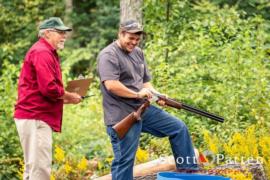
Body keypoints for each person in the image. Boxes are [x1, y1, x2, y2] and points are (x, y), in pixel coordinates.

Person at [97, 20, 199, 180]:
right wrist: (138, 94)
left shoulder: (138, 53)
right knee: (125, 161)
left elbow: (145, 83)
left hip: (143, 110)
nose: (134, 42)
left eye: (137, 39)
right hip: (122, 116)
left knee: (178, 128)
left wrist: (157, 95)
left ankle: (189, 175)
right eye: (130, 38)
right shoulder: (108, 55)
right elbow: (111, 85)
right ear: (120, 33)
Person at [14, 17, 82, 180]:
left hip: (34, 116)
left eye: (64, 33)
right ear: (47, 33)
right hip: (35, 117)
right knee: (40, 170)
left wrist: (68, 98)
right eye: (60, 32)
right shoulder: (42, 52)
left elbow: (42, 90)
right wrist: (69, 95)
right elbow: (49, 88)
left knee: (33, 169)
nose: (64, 36)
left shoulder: (45, 52)